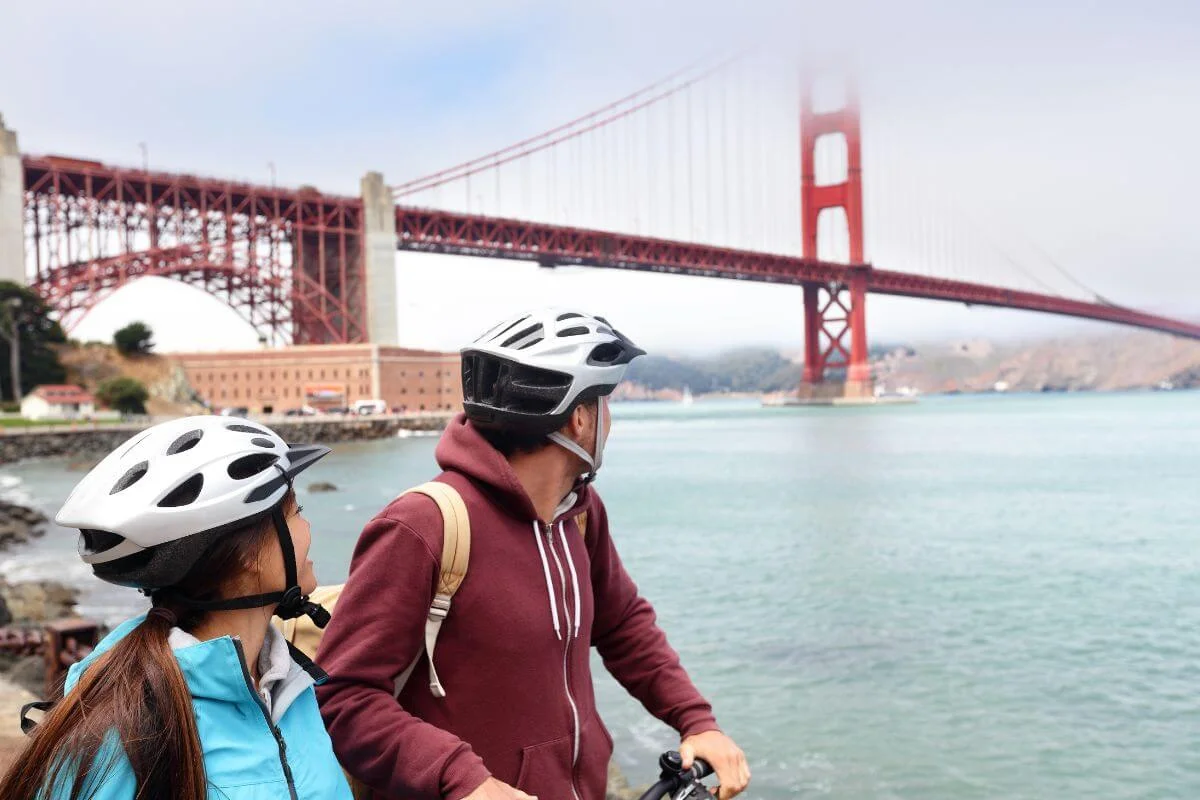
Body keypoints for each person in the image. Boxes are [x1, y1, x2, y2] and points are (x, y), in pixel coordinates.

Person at [316, 309, 751, 800]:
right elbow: (343, 696)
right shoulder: (422, 526)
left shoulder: (579, 513)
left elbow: (622, 623)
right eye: (604, 404)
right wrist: (464, 780)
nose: (611, 420)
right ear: (579, 419)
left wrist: (695, 720)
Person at [0, 416, 352, 800]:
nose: (308, 527)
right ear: (251, 554)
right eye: (296, 512)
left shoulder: (288, 683)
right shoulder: (125, 731)